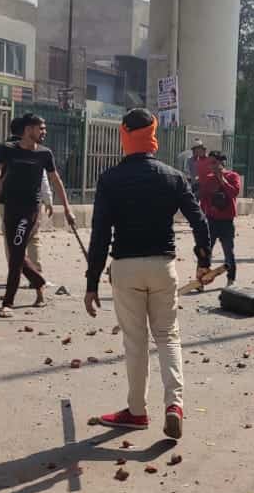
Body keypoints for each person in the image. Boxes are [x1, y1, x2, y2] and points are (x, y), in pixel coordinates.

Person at [85, 109, 211, 439]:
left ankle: (137, 412)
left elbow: (100, 235)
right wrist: (203, 260)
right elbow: (200, 222)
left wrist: (91, 282)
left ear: (125, 135)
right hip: (162, 267)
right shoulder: (173, 177)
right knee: (168, 336)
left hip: (125, 268)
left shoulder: (110, 179)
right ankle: (174, 405)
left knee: (136, 341)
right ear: (153, 136)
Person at [0, 113, 76, 317]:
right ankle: (39, 282)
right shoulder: (6, 149)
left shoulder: (44, 154)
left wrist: (67, 208)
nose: (44, 132)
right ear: (28, 130)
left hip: (30, 210)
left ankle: (8, 302)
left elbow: (55, 180)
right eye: (41, 128)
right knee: (16, 252)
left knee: (17, 253)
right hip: (10, 207)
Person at [198, 151, 240, 286]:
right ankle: (201, 280)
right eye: (210, 163)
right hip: (211, 220)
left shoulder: (233, 176)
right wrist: (204, 214)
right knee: (205, 252)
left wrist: (222, 179)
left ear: (222, 163)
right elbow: (203, 198)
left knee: (228, 251)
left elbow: (234, 192)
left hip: (227, 221)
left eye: (214, 163)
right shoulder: (208, 179)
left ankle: (231, 279)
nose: (211, 166)